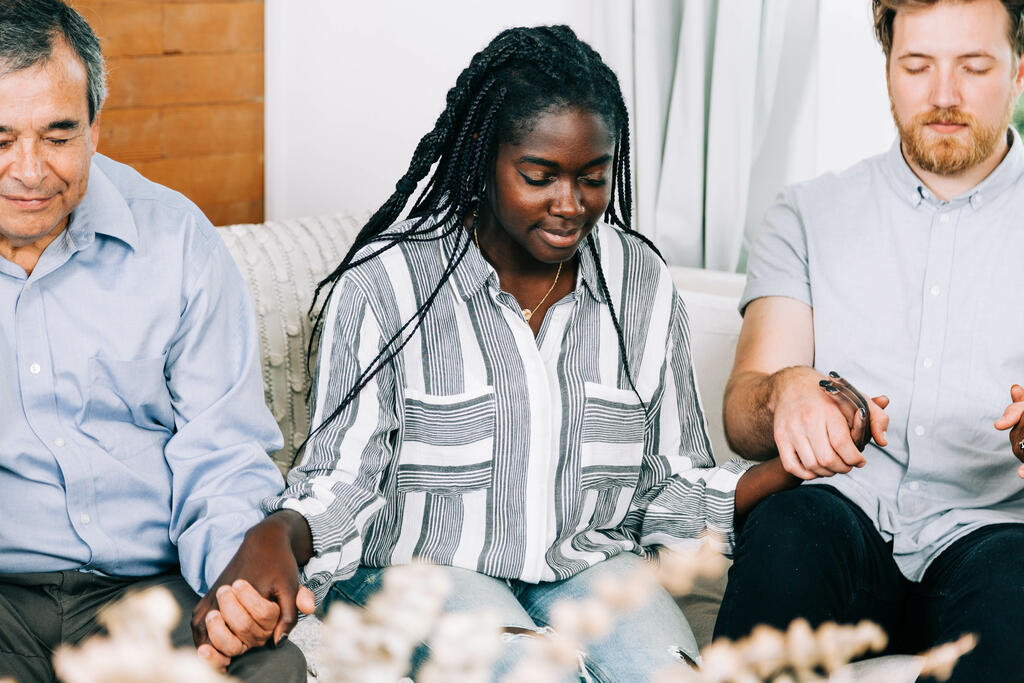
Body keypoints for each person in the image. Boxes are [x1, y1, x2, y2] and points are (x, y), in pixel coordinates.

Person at [194, 25, 803, 681]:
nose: (570, 205)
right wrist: (279, 533)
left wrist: (784, 472)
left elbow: (667, 485)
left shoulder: (640, 284)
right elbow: (345, 481)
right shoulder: (386, 287)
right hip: (421, 572)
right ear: (484, 155)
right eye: (540, 176)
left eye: (593, 178)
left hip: (588, 562)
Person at [713, 0, 1024, 680]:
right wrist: (785, 392)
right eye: (917, 66)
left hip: (997, 536)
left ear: (1019, 71)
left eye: (974, 67)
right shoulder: (807, 213)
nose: (944, 95)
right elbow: (743, 414)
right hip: (839, 515)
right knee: (788, 529)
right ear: (887, 69)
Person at [0, 1, 306, 680]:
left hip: (147, 595)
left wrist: (235, 591)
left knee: (273, 669)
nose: (29, 170)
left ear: (96, 128)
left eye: (58, 135)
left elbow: (222, 453)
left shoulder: (175, 242)